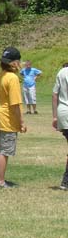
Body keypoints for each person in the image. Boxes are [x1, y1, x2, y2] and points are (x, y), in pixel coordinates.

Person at [0, 47, 27, 188]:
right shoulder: (12, 78)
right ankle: (0, 181)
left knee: (2, 148)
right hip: (8, 117)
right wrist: (21, 122)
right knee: (5, 151)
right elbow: (15, 104)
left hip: (0, 114)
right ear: (14, 63)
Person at [51, 62, 68, 190]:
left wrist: (55, 116)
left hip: (63, 113)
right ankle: (66, 181)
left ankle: (65, 182)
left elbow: (54, 95)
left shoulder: (62, 72)